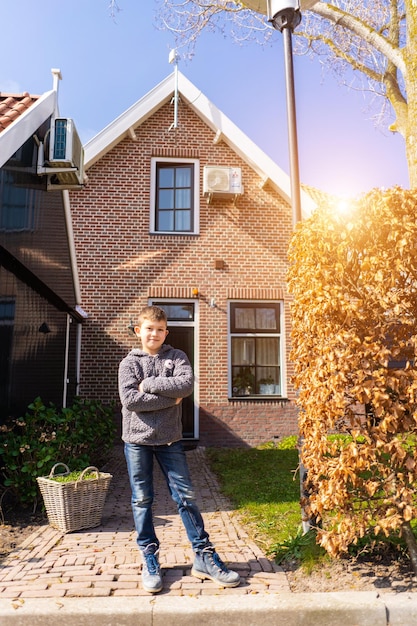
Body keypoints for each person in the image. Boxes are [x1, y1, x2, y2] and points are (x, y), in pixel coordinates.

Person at [118, 305, 240, 594]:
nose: (155, 333)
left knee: (185, 497)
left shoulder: (177, 357)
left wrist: (149, 384)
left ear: (166, 332)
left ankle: (204, 556)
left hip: (171, 439)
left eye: (160, 329)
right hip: (137, 440)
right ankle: (149, 556)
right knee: (142, 499)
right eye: (149, 328)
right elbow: (131, 401)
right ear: (139, 331)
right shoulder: (129, 364)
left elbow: (185, 385)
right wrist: (167, 399)